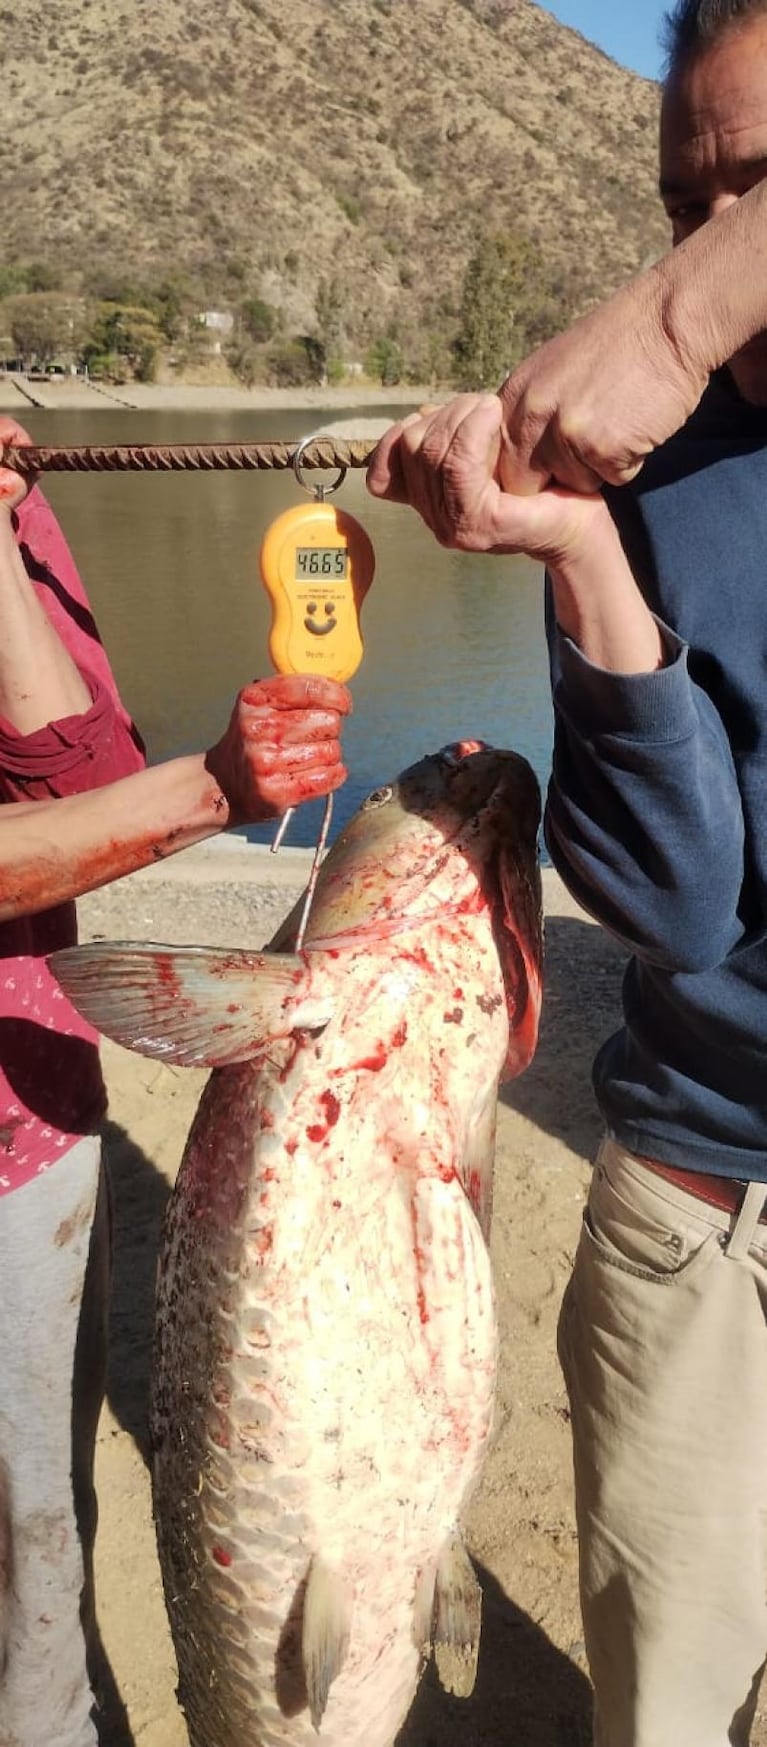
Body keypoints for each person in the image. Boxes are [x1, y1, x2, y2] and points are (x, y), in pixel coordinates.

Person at [368, 3, 767, 1742]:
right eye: (687, 204)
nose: (712, 243)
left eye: (761, 196)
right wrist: (591, 566)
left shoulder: (670, 341)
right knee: (664, 1698)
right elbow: (676, 909)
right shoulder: (649, 470)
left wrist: (682, 308)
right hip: (706, 1209)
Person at [0, 416, 351, 1747]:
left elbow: (76, 779)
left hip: (26, 1125)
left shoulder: (23, 520)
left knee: (38, 1549)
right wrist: (206, 793)